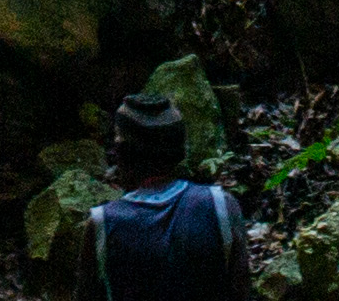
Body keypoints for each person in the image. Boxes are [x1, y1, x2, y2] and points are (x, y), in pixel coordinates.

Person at [78, 90, 253, 301]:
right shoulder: (221, 207)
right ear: (180, 151)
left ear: (122, 154)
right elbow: (241, 291)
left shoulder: (103, 224)